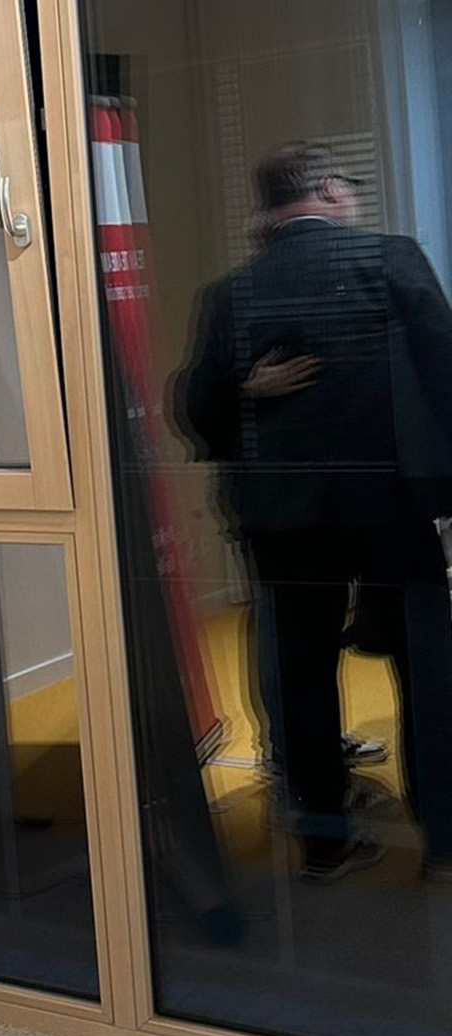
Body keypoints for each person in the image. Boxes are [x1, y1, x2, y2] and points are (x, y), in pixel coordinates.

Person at [177, 142, 452, 883]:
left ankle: (325, 842)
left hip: (284, 515)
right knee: (426, 666)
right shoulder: (392, 262)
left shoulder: (232, 293)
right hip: (389, 504)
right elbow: (445, 371)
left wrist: (244, 393)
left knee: (300, 674)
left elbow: (192, 408)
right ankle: (445, 841)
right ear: (330, 189)